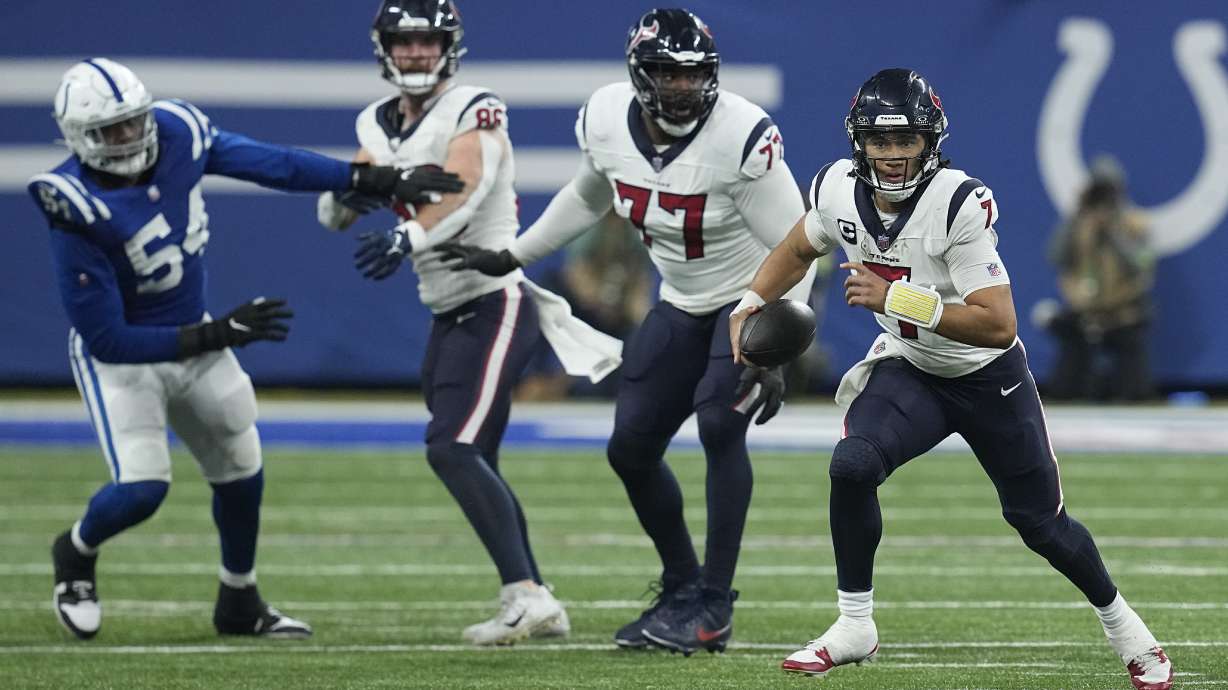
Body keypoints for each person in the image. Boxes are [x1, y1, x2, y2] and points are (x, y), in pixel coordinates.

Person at [728, 68, 1172, 689]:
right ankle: (855, 623)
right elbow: (801, 246)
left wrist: (899, 298)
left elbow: (997, 323)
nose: (892, 155)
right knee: (852, 465)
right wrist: (750, 300)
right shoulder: (834, 189)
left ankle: (1128, 631)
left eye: (905, 140)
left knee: (1041, 524)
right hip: (912, 370)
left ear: (929, 140)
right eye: (880, 142)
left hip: (987, 377)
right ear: (859, 142)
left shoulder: (957, 201)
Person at [29, 57, 463, 641]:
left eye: (134, 122)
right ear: (81, 137)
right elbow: (109, 337)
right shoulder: (73, 204)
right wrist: (219, 335)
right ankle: (76, 550)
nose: (130, 137)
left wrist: (372, 181)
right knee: (143, 488)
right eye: (112, 131)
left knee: (241, 461)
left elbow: (273, 164)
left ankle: (239, 599)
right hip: (123, 359)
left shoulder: (177, 131)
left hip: (196, 331)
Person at [438, 8, 816, 655]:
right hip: (678, 300)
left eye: (694, 73)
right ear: (640, 74)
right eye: (667, 72)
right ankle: (681, 585)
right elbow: (590, 194)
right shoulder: (608, 118)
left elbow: (801, 240)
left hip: (746, 303)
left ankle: (714, 607)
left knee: (721, 427)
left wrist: (776, 343)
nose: (682, 86)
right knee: (630, 448)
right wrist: (514, 256)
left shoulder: (740, 134)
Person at [320, 0, 622, 646]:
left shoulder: (473, 107)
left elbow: (466, 189)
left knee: (451, 448)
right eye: (404, 42)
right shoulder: (376, 122)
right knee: (472, 452)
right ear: (384, 49)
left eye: (428, 41)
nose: (417, 53)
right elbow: (337, 204)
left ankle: (529, 592)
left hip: (494, 302)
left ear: (448, 47)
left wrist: (406, 236)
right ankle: (536, 598)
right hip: (449, 311)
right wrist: (344, 197)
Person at [1040, 155, 1154, 401]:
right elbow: (1055, 256)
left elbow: (1140, 265)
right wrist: (1077, 214)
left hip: (1124, 313)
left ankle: (1127, 388)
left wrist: (1111, 233)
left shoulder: (1135, 223)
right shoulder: (1079, 223)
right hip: (1085, 312)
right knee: (1064, 389)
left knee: (1133, 392)